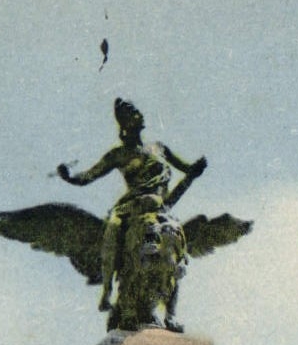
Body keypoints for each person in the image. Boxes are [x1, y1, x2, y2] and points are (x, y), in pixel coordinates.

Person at [57, 98, 206, 323]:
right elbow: (88, 177)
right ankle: (107, 289)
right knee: (113, 230)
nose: (138, 113)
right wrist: (69, 176)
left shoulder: (160, 148)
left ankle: (171, 314)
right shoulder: (118, 155)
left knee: (175, 254)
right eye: (132, 112)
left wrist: (197, 168)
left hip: (162, 208)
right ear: (125, 123)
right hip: (131, 208)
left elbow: (188, 169)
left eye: (137, 110)